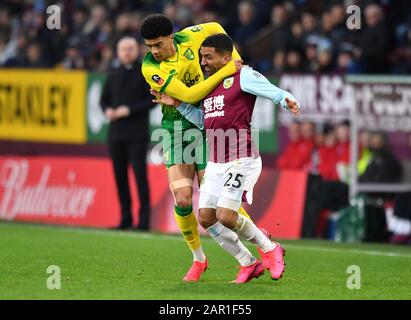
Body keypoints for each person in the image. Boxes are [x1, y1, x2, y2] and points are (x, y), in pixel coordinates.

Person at [152, 33, 300, 283]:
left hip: (242, 157)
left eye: (208, 57)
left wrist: (287, 100)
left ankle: (270, 248)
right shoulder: (209, 86)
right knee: (207, 218)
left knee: (226, 216)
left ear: (226, 57)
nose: (204, 62)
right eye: (201, 57)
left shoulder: (243, 76)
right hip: (217, 162)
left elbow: (272, 91)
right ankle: (248, 263)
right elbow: (205, 121)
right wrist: (178, 104)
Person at [140, 14, 254, 282]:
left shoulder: (191, 36)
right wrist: (231, 69)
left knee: (218, 197)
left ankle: (262, 245)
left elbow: (216, 27)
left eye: (157, 44)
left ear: (171, 37)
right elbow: (189, 96)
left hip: (204, 126)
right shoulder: (150, 68)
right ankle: (199, 259)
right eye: (149, 46)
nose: (153, 51)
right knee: (182, 199)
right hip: (175, 130)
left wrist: (232, 57)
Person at [100, 37, 153, 230]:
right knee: (120, 178)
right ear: (118, 51)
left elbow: (151, 100)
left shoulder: (144, 73)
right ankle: (125, 218)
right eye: (123, 49)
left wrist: (128, 110)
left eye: (130, 48)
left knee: (140, 177)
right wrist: (107, 110)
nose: (127, 52)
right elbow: (103, 100)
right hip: (116, 135)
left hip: (137, 134)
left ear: (137, 50)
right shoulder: (113, 73)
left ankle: (144, 220)